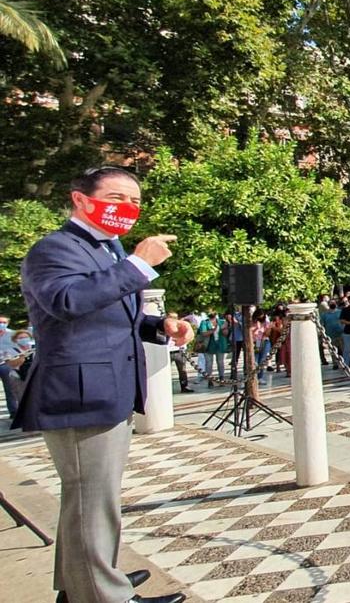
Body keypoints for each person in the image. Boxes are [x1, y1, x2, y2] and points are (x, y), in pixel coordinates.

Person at [18, 166, 191, 603]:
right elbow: (68, 302)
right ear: (80, 199)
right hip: (79, 394)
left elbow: (109, 317)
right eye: (116, 198)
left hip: (108, 388)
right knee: (89, 500)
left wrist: (160, 326)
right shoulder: (54, 249)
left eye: (134, 201)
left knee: (94, 499)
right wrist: (138, 264)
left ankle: (86, 581)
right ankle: (101, 595)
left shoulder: (108, 249)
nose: (127, 209)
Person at [166, 313, 193, 393]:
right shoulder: (166, 326)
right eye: (171, 317)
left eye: (174, 317)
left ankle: (184, 386)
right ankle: (167, 387)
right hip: (169, 351)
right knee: (167, 371)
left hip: (180, 351)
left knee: (182, 370)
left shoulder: (181, 326)